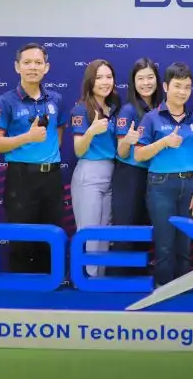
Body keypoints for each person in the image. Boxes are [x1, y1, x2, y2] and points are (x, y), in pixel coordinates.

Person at [0, 43, 69, 274]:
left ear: (46, 67)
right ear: (17, 67)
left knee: (50, 240)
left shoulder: (56, 100)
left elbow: (58, 139)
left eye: (38, 62)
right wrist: (28, 137)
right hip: (21, 179)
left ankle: (48, 293)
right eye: (27, 62)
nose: (33, 67)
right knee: (21, 242)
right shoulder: (6, 101)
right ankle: (20, 294)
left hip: (51, 178)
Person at [135, 62, 193, 287]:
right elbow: (139, 154)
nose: (182, 92)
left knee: (184, 246)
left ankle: (182, 294)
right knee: (165, 245)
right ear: (166, 87)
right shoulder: (151, 118)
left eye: (187, 87)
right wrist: (164, 142)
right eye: (177, 86)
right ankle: (164, 293)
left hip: (189, 187)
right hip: (161, 186)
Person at [110, 58, 162, 276]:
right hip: (129, 177)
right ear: (133, 82)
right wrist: (127, 141)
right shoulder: (128, 110)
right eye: (141, 79)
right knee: (126, 229)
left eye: (150, 77)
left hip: (152, 176)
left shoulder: (161, 108)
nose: (146, 83)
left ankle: (139, 283)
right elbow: (121, 153)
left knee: (144, 230)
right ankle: (120, 282)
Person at [69, 59, 119, 277]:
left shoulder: (114, 108)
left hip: (112, 173)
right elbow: (79, 149)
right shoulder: (81, 109)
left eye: (109, 77)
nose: (105, 82)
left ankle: (99, 282)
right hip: (89, 174)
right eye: (99, 77)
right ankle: (86, 282)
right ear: (90, 81)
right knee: (89, 233)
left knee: (104, 234)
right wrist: (92, 131)